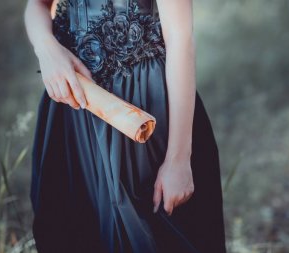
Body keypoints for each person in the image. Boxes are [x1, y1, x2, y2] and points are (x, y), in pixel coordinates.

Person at [24, 0, 227, 252]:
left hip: (139, 103)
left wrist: (178, 159)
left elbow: (180, 38)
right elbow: (37, 5)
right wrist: (47, 48)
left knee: (148, 231)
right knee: (76, 227)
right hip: (73, 106)